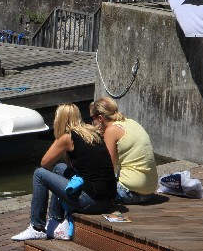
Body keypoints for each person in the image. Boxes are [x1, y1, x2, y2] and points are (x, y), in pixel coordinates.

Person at [12, 103, 117, 241]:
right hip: (108, 200)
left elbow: (44, 163)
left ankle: (36, 227)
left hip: (91, 202)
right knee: (59, 168)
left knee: (39, 174)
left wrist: (59, 140)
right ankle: (55, 220)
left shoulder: (67, 138)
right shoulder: (91, 133)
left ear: (60, 119)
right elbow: (73, 166)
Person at [89, 97, 158, 205]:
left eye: (92, 118)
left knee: (82, 192)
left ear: (100, 118)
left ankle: (57, 219)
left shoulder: (111, 130)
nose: (92, 122)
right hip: (149, 190)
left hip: (129, 192)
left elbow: (108, 169)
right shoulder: (131, 122)